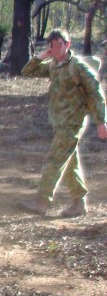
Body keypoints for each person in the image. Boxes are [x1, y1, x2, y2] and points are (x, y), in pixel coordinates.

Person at [18, 28, 107, 218]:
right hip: (59, 122)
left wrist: (101, 121)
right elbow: (27, 71)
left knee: (55, 160)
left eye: (59, 45)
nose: (56, 49)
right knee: (69, 162)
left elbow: (96, 93)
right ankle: (79, 203)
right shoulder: (53, 65)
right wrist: (42, 55)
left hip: (72, 123)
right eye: (52, 45)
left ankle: (41, 203)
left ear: (68, 45)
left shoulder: (78, 66)